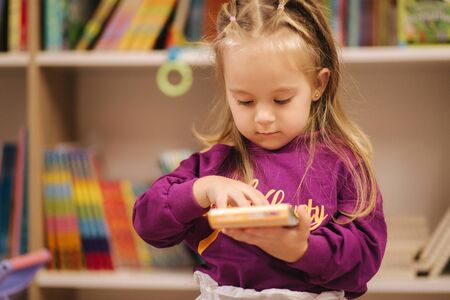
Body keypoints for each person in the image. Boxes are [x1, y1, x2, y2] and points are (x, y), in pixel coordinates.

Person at [133, 0, 387, 299]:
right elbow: (148, 224)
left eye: (281, 100)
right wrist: (200, 190)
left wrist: (301, 250)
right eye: (245, 101)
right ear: (227, 89)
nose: (263, 117)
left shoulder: (343, 164)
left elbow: (365, 259)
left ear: (318, 85)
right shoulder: (215, 164)